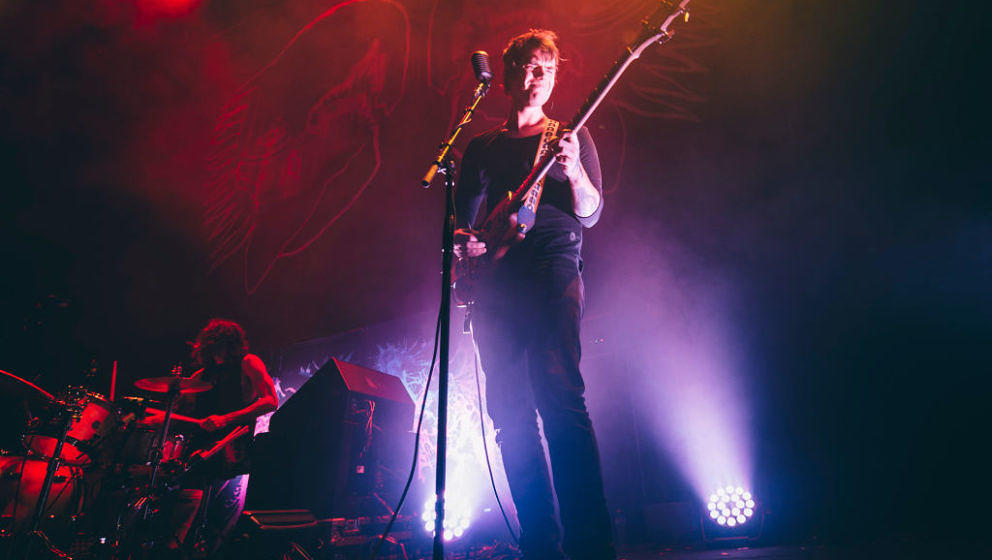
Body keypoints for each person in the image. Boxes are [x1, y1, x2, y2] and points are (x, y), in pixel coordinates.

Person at [454, 29, 615, 560]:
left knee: (559, 395)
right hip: (496, 286)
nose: (536, 78)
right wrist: (466, 248)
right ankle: (541, 545)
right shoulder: (481, 148)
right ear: (507, 76)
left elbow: (591, 211)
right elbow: (466, 228)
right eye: (526, 67)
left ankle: (592, 546)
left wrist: (571, 172)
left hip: (552, 268)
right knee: (508, 412)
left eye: (546, 69)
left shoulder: (570, 138)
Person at [140, 318, 278, 556]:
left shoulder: (248, 362)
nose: (213, 353)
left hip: (234, 451)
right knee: (187, 520)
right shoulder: (201, 375)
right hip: (199, 454)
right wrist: (161, 418)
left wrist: (227, 418)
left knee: (220, 523)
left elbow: (270, 400)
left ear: (228, 343)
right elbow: (185, 417)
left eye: (217, 346)